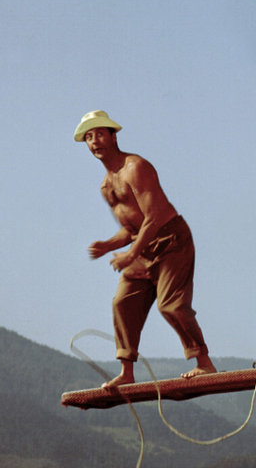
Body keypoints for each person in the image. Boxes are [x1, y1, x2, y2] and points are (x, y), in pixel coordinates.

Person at [77, 109, 216, 391]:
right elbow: (132, 227)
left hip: (171, 241)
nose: (95, 142)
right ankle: (126, 371)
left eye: (100, 134)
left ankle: (204, 362)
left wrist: (129, 255)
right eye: (89, 137)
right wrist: (109, 245)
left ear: (113, 136)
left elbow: (153, 217)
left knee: (171, 305)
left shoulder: (135, 167)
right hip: (144, 248)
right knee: (122, 302)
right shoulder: (106, 186)